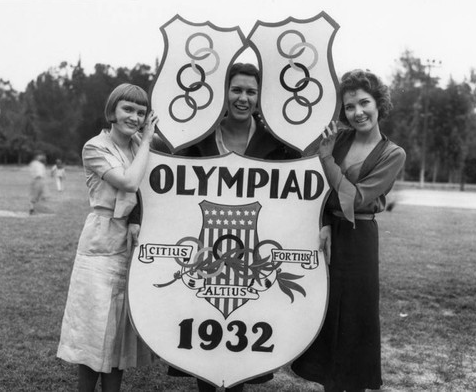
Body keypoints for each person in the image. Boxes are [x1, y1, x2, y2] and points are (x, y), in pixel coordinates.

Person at [164, 62, 300, 392]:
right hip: (205, 251)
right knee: (204, 337)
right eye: (236, 89)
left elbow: (299, 195)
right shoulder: (198, 137)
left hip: (252, 254)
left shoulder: (277, 143)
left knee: (242, 338)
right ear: (223, 92)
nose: (243, 98)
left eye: (251, 91)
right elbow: (164, 188)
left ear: (260, 96)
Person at [291, 69, 406, 392]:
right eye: (350, 106)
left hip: (360, 240)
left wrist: (326, 158)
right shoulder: (338, 138)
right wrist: (325, 223)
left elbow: (352, 199)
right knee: (327, 316)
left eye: (364, 103)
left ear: (379, 104)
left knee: (355, 319)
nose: (358, 112)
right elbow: (317, 190)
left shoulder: (393, 153)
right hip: (328, 235)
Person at [57, 83, 159, 392]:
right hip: (101, 239)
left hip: (132, 242)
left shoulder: (139, 143)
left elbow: (150, 189)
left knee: (117, 335)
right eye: (127, 109)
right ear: (112, 112)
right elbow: (128, 182)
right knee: (93, 331)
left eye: (141, 112)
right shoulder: (95, 147)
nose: (134, 117)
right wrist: (147, 142)